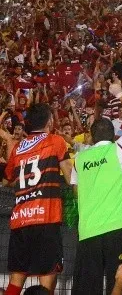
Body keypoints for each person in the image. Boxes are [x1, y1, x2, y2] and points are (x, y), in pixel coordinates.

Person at [70, 78, 122, 295]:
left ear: (91, 137)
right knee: (121, 285)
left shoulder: (80, 159)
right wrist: (119, 93)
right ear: (113, 135)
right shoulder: (118, 149)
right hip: (118, 230)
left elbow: (76, 192)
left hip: (88, 233)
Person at [2, 104, 75, 295]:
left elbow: (7, 180)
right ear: (49, 121)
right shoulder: (55, 141)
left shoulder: (18, 149)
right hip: (46, 219)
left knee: (16, 279)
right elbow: (70, 177)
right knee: (47, 279)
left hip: (21, 221)